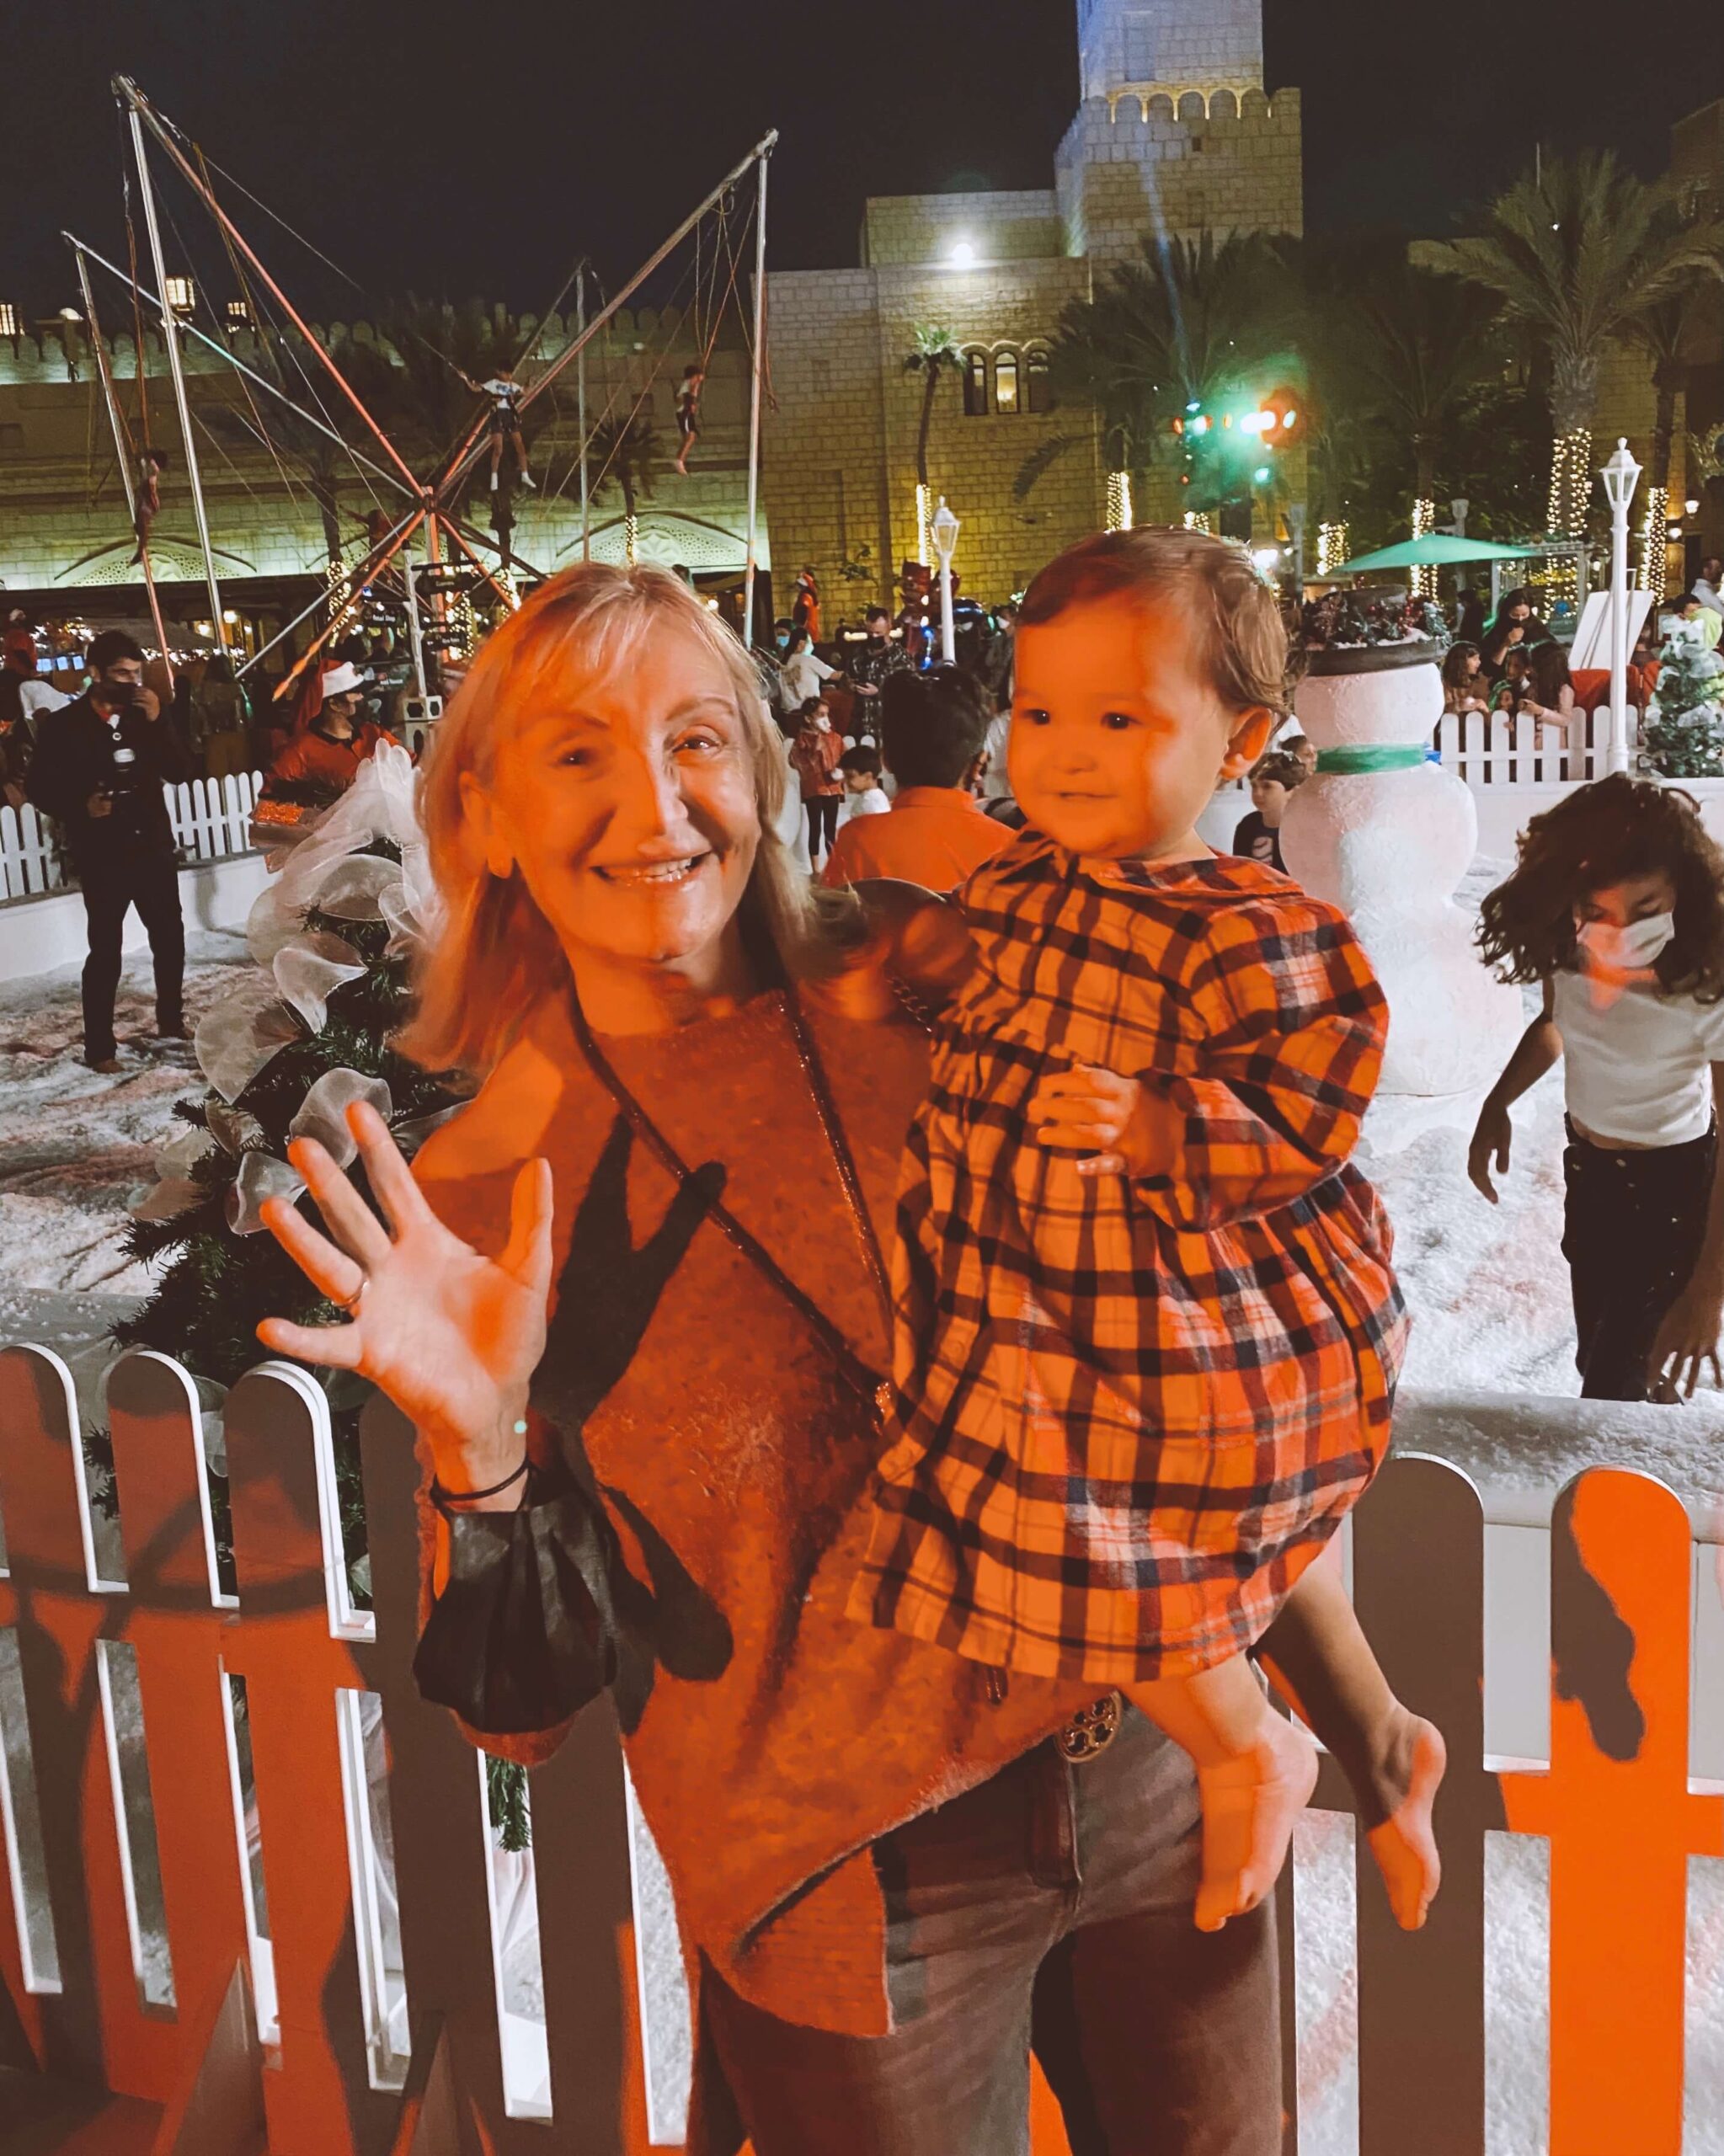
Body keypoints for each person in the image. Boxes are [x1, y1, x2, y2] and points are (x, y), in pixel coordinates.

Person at [254, 561, 1289, 2155]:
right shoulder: (481, 1190)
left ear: (762, 764)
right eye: (579, 751)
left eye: (695, 738)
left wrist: (1288, 1682)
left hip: (1152, 1754)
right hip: (853, 1883)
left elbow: (1189, 1276)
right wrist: (481, 1448)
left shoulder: (925, 973)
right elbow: (520, 1716)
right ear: (491, 814)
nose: (655, 803)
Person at [849, 529, 1441, 1937]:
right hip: (1024, 1272)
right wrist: (901, 982)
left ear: (1238, 741)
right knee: (1169, 1537)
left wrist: (1171, 1128)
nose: (1063, 750)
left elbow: (1317, 1096)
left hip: (1164, 1294)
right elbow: (950, 977)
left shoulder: (1248, 925)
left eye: (1121, 718)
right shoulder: (1013, 887)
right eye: (1041, 712)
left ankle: (1250, 1742)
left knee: (1090, 1516)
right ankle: (1378, 1735)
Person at [1470, 776, 1724, 1401]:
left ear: (1680, 894)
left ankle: (1628, 1479)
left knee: (1613, 1383)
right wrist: (1497, 1100)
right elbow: (1554, 1024)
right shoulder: (1568, 953)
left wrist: (1705, 1292)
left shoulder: (1706, 987)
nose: (1618, 932)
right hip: (1589, 1173)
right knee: (1601, 1358)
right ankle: (1654, 1417)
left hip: (1674, 1185)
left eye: (1645, 911)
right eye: (1598, 911)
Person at [23, 627, 189, 1072]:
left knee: (170, 939)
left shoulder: (145, 714)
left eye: (136, 673)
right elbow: (38, 787)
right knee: (106, 951)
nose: (131, 683)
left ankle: (171, 1022)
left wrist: (159, 721)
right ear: (94, 673)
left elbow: (181, 771)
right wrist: (80, 807)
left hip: (152, 848)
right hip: (104, 855)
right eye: (120, 674)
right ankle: (100, 1047)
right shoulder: (63, 725)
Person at [821, 667, 1014, 893]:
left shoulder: (856, 841)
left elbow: (830, 921)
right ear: (978, 763)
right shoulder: (1010, 850)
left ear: (885, 760)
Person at [266, 660, 386, 796]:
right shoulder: (299, 753)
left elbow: (412, 768)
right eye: (356, 693)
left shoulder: (374, 734)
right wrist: (312, 812)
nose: (362, 698)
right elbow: (267, 809)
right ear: (334, 704)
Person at [459, 362, 535, 493]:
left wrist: (530, 382)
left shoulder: (513, 385)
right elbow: (477, 388)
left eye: (510, 374)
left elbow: (525, 392)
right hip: (498, 415)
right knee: (498, 449)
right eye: (507, 373)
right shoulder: (494, 383)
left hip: (510, 415)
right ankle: (494, 478)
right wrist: (466, 379)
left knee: (520, 447)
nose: (509, 376)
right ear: (500, 372)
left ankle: (525, 475)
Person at [788, 695, 845, 868]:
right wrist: (815, 747)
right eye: (820, 715)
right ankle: (815, 868)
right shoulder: (803, 740)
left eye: (826, 714)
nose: (825, 719)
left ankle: (833, 865)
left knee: (830, 828)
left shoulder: (835, 738)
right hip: (814, 789)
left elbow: (844, 756)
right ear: (808, 719)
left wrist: (840, 772)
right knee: (815, 828)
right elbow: (795, 762)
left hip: (833, 788)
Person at [1230, 748, 1305, 871]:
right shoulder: (1248, 824)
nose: (1258, 793)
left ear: (1292, 791)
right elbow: (1239, 870)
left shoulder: (1302, 830)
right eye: (1254, 786)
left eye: (1267, 787)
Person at [846, 605, 910, 721]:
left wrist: (879, 692)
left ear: (889, 627)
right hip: (860, 721)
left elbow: (908, 692)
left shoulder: (901, 657)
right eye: (870, 633)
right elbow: (847, 678)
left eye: (878, 633)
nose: (874, 637)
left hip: (888, 723)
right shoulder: (858, 654)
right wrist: (849, 685)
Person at [1519, 638, 1579, 746]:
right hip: (1532, 745)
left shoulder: (1564, 690)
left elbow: (1566, 719)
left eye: (1534, 665)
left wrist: (1541, 711)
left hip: (1553, 746)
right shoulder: (1534, 686)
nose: (1529, 670)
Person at [780, 627, 837, 710]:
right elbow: (834, 675)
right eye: (809, 641)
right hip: (808, 710)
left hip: (789, 711)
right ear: (801, 643)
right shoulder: (808, 660)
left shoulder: (788, 660)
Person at [835, 741, 890, 825]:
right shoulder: (875, 797)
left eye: (850, 776)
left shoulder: (870, 804)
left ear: (868, 777)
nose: (845, 781)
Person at [1441, 641, 1489, 717]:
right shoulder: (1446, 684)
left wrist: (1484, 708)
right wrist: (1459, 705)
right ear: (1462, 662)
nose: (1479, 662)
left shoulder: (1480, 682)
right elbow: (1444, 709)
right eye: (1475, 659)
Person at [675, 360, 705, 476]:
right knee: (690, 436)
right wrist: (698, 381)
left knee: (689, 437)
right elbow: (684, 397)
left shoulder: (689, 384)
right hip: (685, 413)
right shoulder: (689, 383)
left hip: (686, 413)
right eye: (697, 377)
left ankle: (680, 460)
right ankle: (680, 461)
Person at [1695, 556, 1724, 620]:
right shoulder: (1704, 591)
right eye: (1717, 569)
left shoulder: (1704, 590)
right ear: (1706, 571)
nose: (1721, 572)